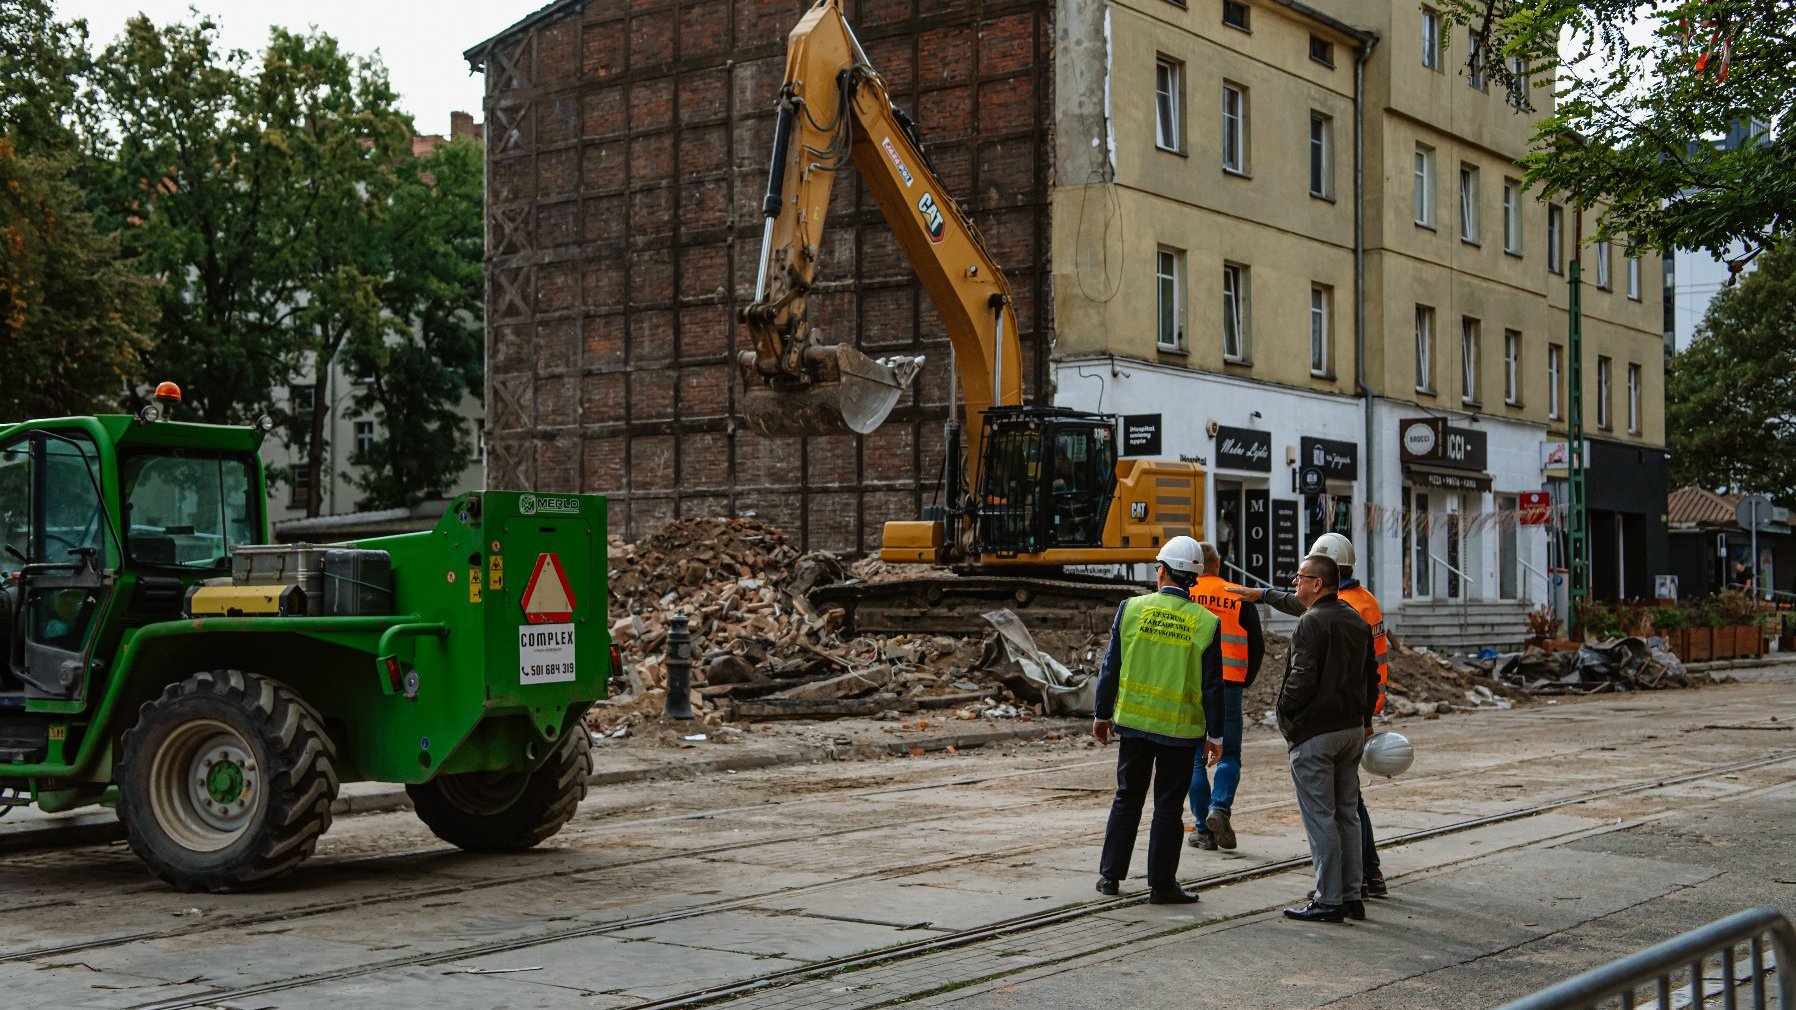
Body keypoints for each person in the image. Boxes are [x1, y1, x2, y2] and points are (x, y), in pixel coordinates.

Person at [1233, 532, 1390, 897]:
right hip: (1353, 724)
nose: (1295, 582)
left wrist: (1285, 713)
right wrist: (1365, 717)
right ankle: (1354, 891)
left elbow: (1301, 677)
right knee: (1348, 814)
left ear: (1318, 582)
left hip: (1318, 730)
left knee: (1323, 818)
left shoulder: (1314, 620)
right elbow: (1371, 673)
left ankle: (1329, 898)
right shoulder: (1356, 610)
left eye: (1301, 577)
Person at [1092, 536, 1225, 905]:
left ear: (1163, 570)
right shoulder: (1205, 622)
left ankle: (1110, 876)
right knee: (1168, 807)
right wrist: (1216, 735)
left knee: (1127, 799)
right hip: (1180, 732)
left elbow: (1110, 668)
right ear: (1193, 579)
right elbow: (1213, 686)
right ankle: (1162, 885)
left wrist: (1102, 714)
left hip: (1133, 725)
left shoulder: (1131, 609)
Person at [1186, 542, 1263, 851]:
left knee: (1195, 758)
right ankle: (1220, 808)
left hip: (1191, 686)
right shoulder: (1238, 595)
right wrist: (1246, 680)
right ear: (1217, 564)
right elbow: (1256, 644)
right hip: (1229, 685)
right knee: (1229, 754)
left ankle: (1203, 829)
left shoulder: (1185, 594)